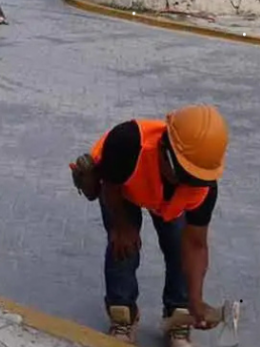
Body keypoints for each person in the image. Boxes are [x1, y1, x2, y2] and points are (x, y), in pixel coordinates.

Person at [70, 104, 229, 346]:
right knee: (123, 248)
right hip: (123, 191)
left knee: (178, 247)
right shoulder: (127, 143)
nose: (188, 183)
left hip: (166, 202)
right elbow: (110, 186)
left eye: (194, 179)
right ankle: (122, 315)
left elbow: (196, 245)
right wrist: (122, 227)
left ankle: (179, 316)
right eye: (183, 174)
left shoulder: (203, 186)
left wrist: (196, 301)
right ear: (164, 149)